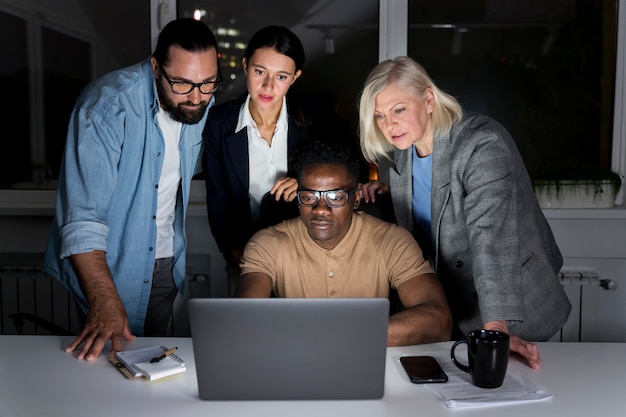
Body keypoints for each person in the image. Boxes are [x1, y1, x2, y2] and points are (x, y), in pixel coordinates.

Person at [357, 56, 571, 367]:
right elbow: (433, 208)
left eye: (398, 110)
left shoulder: (482, 143)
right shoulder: (401, 155)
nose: (389, 126)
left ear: (428, 100)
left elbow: (491, 236)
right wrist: (386, 193)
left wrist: (496, 328)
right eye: (379, 116)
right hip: (457, 307)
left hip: (515, 307)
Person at [42, 18, 221, 360]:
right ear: (156, 67)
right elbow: (82, 218)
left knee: (151, 369)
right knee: (101, 370)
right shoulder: (106, 106)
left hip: (166, 260)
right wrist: (105, 299)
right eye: (182, 84)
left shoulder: (199, 100)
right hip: (106, 266)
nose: (197, 98)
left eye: (207, 83)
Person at [235, 138, 452, 346]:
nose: (320, 209)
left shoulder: (392, 240)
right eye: (309, 197)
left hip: (370, 365)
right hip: (296, 364)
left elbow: (438, 320)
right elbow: (242, 320)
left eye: (336, 197)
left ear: (356, 198)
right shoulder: (268, 243)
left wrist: (340, 335)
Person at [204, 25, 318, 295]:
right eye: (259, 72)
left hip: (305, 255)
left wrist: (304, 186)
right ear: (245, 65)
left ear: (295, 77)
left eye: (281, 76)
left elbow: (335, 178)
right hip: (242, 254)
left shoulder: (311, 120)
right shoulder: (219, 123)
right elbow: (218, 198)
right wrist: (240, 261)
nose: (268, 86)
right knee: (247, 331)